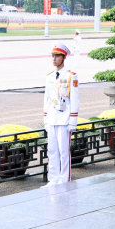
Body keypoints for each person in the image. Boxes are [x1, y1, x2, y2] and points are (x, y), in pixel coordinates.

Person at [43, 43, 79, 186]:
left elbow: (75, 100)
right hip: (52, 118)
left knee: (64, 152)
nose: (54, 59)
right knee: (51, 151)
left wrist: (72, 121)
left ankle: (64, 179)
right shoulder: (50, 77)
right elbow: (46, 99)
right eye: (52, 56)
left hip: (64, 119)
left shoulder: (71, 76)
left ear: (63, 57)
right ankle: (53, 179)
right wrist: (45, 119)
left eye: (57, 56)